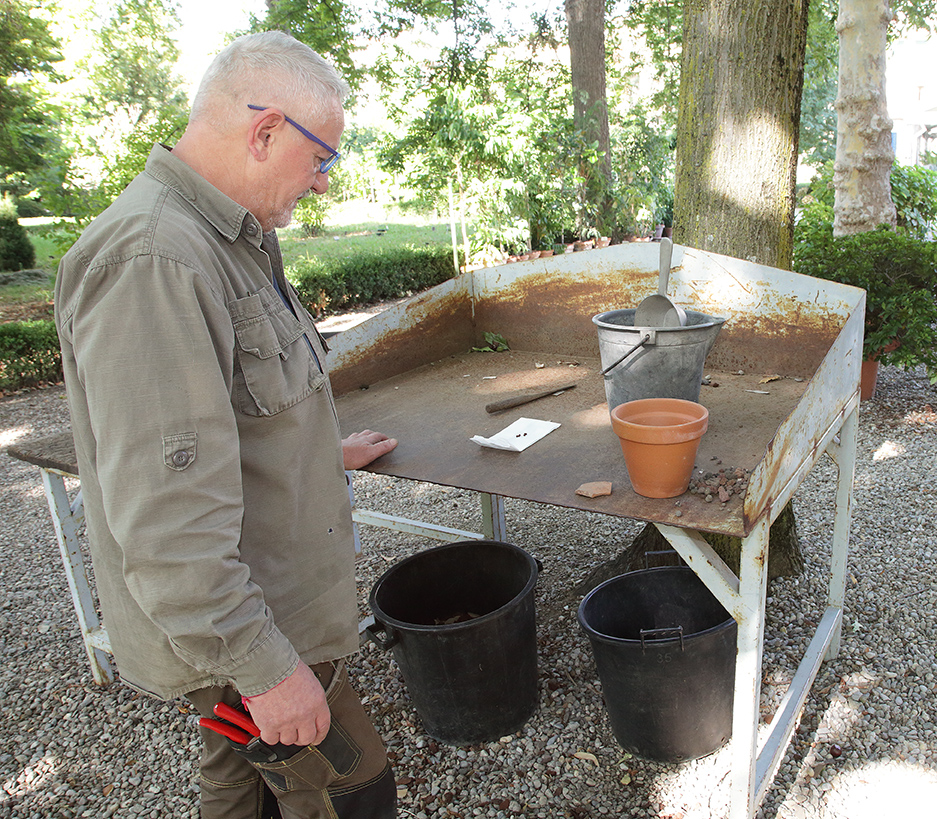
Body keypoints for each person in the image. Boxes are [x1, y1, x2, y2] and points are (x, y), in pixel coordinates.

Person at [54, 30, 398, 819]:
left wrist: (313, 452)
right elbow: (166, 519)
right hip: (248, 627)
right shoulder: (156, 259)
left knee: (238, 782)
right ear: (265, 130)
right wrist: (266, 668)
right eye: (321, 159)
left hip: (263, 605)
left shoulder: (229, 236)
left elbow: (230, 412)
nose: (320, 183)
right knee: (353, 791)